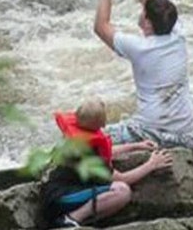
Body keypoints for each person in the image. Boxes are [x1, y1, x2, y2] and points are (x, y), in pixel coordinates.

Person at [93, 0, 193, 149]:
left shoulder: (139, 48)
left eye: (143, 11)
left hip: (151, 135)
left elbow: (101, 27)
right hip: (190, 138)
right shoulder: (177, 33)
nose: (140, 9)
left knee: (89, 142)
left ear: (148, 23)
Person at [41, 98, 173, 228]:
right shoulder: (88, 153)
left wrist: (136, 146)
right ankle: (70, 219)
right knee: (122, 191)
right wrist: (152, 164)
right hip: (60, 198)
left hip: (57, 192)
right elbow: (123, 178)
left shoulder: (79, 137)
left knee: (119, 189)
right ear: (102, 123)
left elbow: (106, 152)